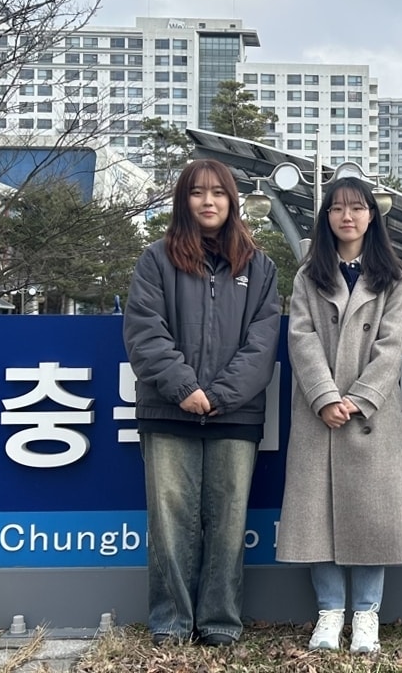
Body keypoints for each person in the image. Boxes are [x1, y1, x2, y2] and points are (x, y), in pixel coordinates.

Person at [123, 159, 281, 647]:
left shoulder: (259, 266)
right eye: (197, 193)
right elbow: (144, 332)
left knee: (229, 522)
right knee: (169, 524)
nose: (208, 201)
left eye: (218, 192)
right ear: (182, 201)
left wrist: (218, 395)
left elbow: (263, 341)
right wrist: (185, 389)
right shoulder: (156, 258)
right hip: (168, 412)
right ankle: (171, 622)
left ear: (232, 201)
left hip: (235, 416)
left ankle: (219, 622)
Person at [276, 177, 402, 654]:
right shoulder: (307, 275)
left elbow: (391, 346)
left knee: (372, 518)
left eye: (357, 208)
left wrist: (357, 398)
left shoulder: (393, 277)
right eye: (337, 209)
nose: (347, 217)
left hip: (370, 415)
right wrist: (323, 395)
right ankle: (329, 612)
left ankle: (366, 616)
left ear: (372, 216)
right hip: (320, 414)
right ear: (326, 217)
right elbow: (301, 338)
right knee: (319, 517)